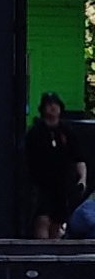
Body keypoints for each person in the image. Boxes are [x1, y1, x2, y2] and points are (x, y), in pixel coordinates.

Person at [27, 95, 85, 242]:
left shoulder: (67, 132)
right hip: (40, 185)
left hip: (61, 186)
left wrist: (82, 178)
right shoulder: (36, 132)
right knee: (42, 219)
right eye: (49, 105)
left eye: (56, 104)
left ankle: (53, 252)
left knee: (57, 222)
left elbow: (78, 158)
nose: (53, 108)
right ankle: (42, 253)